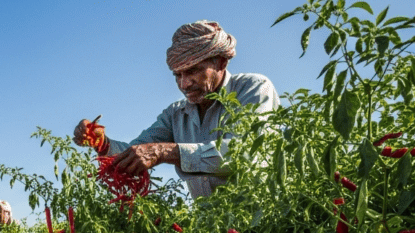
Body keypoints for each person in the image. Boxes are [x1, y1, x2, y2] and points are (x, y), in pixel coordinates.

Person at [73, 20, 280, 199]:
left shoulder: (253, 88)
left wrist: (164, 152)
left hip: (265, 223)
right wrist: (101, 142)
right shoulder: (176, 114)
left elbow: (246, 152)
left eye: (193, 71)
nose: (184, 84)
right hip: (213, 231)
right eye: (177, 75)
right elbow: (136, 151)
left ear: (222, 62)